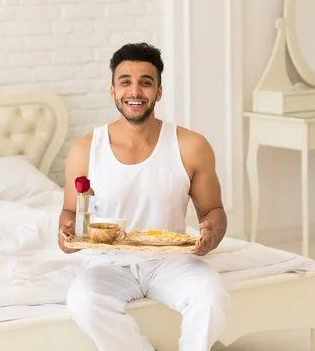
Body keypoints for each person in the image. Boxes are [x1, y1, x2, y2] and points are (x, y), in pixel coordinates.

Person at [58, 43, 230, 351]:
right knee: (83, 301)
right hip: (109, 263)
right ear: (113, 90)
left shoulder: (191, 145)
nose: (134, 91)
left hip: (171, 260)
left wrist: (211, 235)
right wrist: (67, 232)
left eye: (145, 82)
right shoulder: (86, 149)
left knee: (212, 297)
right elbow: (70, 212)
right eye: (125, 81)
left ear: (159, 92)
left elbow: (213, 210)